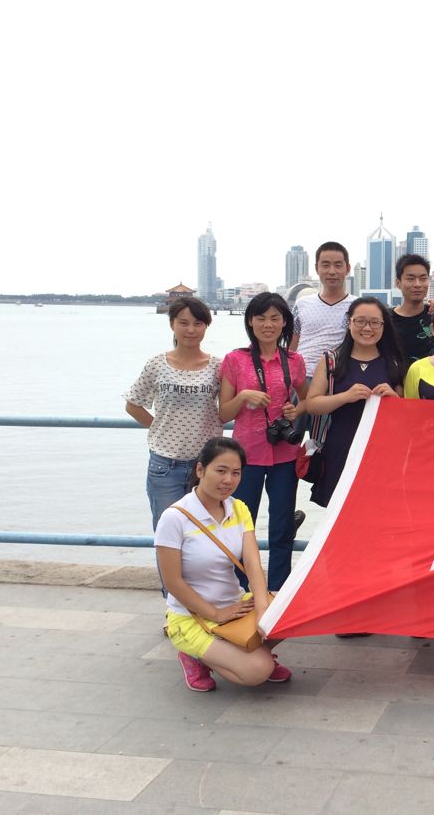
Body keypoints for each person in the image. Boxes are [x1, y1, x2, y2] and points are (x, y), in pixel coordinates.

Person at [155, 437, 291, 692]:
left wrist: (263, 610)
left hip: (236, 605)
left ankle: (243, 648)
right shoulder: (174, 518)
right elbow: (172, 582)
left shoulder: (238, 508)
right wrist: (215, 614)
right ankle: (194, 656)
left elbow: (252, 563)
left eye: (236, 473)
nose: (228, 480)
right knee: (259, 670)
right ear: (200, 470)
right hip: (194, 616)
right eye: (221, 470)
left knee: (291, 612)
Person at [218, 293, 306, 591]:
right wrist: (243, 396)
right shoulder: (235, 360)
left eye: (275, 318)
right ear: (250, 322)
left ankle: (279, 589)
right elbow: (223, 413)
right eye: (261, 318)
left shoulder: (294, 361)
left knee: (282, 525)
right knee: (242, 525)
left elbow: (307, 400)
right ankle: (242, 589)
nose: (268, 324)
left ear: (284, 323)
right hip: (245, 457)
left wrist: (295, 411)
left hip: (285, 454)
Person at [125, 297, 224, 531]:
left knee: (204, 534)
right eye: (183, 323)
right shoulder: (157, 364)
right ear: (172, 324)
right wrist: (159, 427)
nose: (191, 330)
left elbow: (227, 408)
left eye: (198, 323)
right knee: (168, 532)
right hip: (165, 465)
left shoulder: (218, 366)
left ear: (206, 326)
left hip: (206, 464)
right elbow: (133, 404)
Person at [305, 297, 406, 507]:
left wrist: (394, 400)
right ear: (349, 322)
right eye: (360, 321)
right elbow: (312, 404)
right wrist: (345, 397)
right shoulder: (330, 360)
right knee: (337, 510)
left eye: (374, 322)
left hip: (380, 452)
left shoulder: (394, 363)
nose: (367, 328)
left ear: (383, 326)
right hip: (339, 448)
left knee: (377, 509)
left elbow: (405, 416)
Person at [290, 242, 356, 365]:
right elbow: (292, 345)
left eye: (338, 265)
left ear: (347, 268)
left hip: (340, 373)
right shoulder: (301, 304)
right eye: (325, 265)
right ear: (317, 268)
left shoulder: (357, 306)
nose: (332, 271)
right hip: (302, 373)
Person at [390, 254, 434, 362]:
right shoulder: (386, 319)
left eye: (423, 279)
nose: (417, 284)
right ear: (398, 283)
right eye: (410, 279)